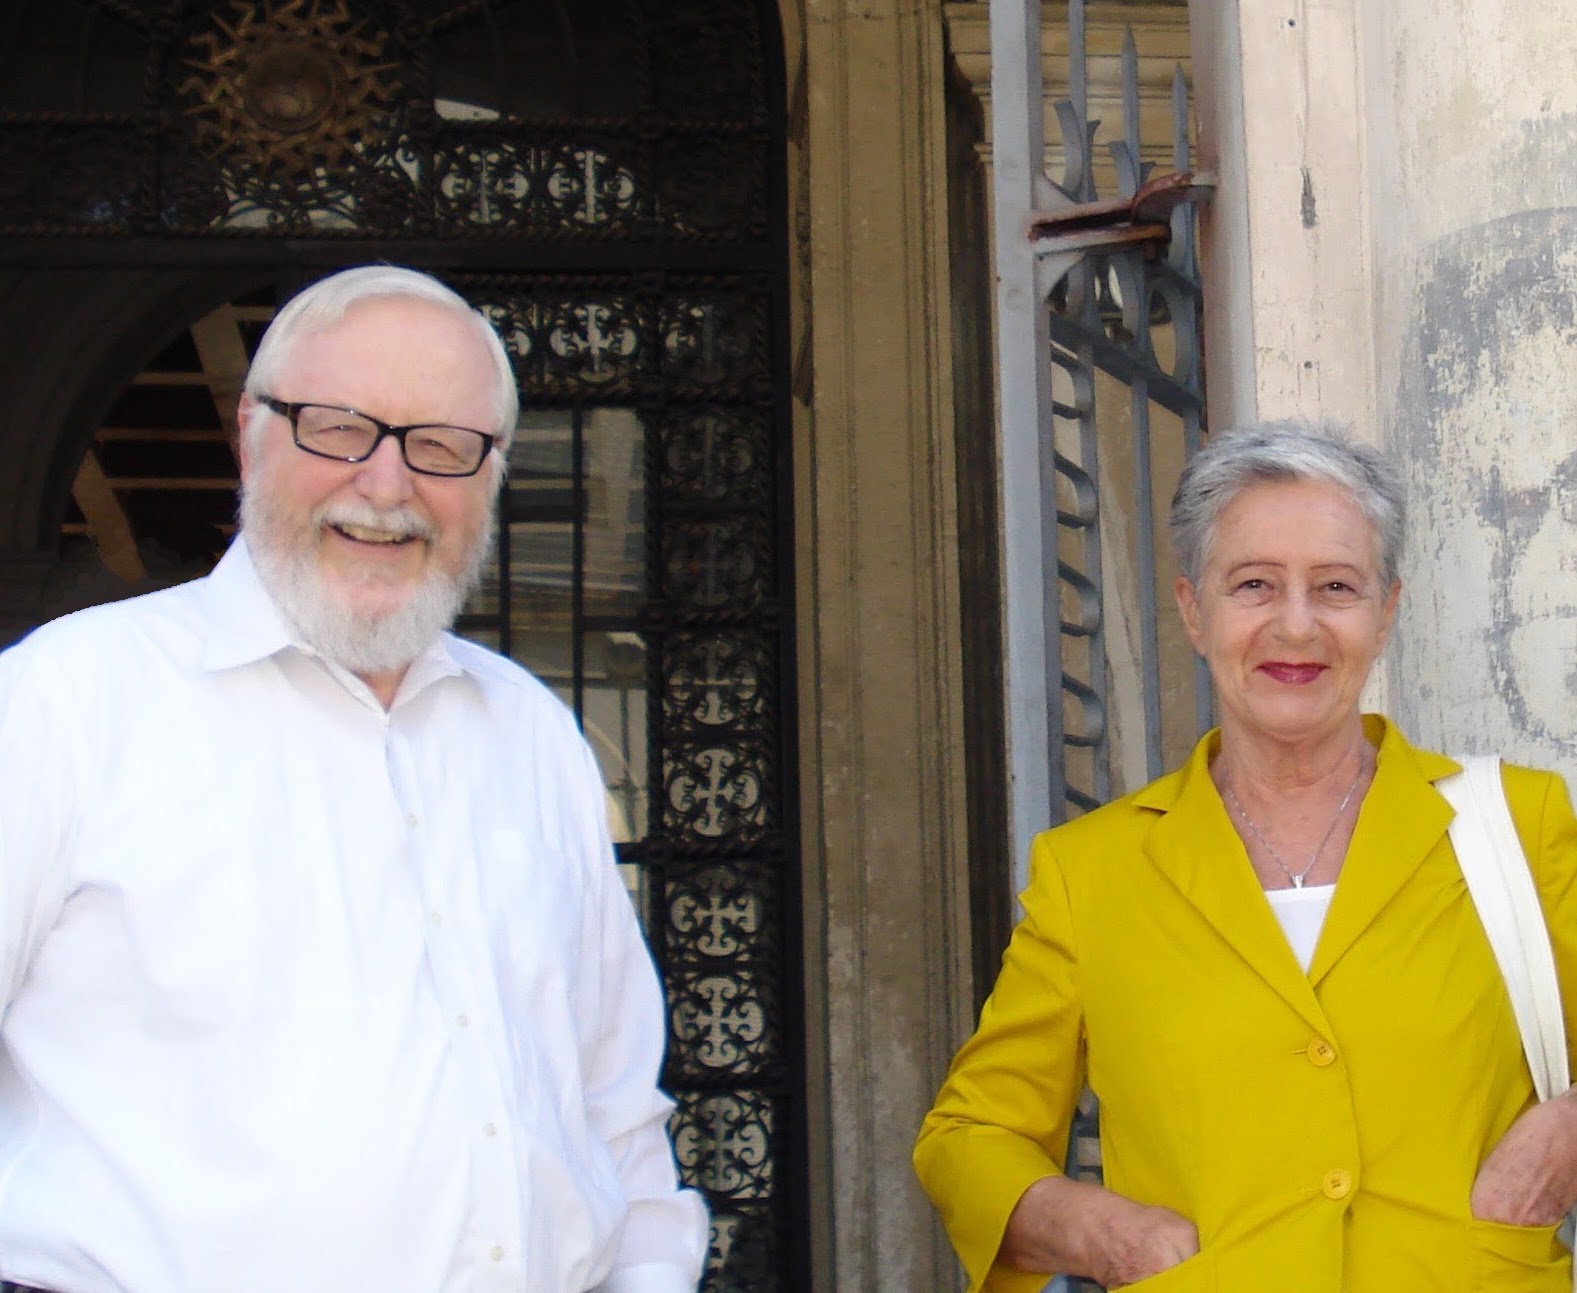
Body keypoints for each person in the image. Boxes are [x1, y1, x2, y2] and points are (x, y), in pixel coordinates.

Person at [0, 266, 708, 1293]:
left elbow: (611, 1106)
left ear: (493, 470)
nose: (386, 485)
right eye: (337, 427)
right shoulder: (61, 705)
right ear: (251, 431)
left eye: (442, 446)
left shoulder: (533, 739)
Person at [914, 423, 1577, 1291]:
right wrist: (1103, 1233)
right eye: (1253, 584)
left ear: (1385, 611)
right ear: (1194, 610)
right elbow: (967, 1137)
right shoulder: (1093, 869)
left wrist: (1562, 1138)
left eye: (1335, 586)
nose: (1294, 625)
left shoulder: (1513, 824)